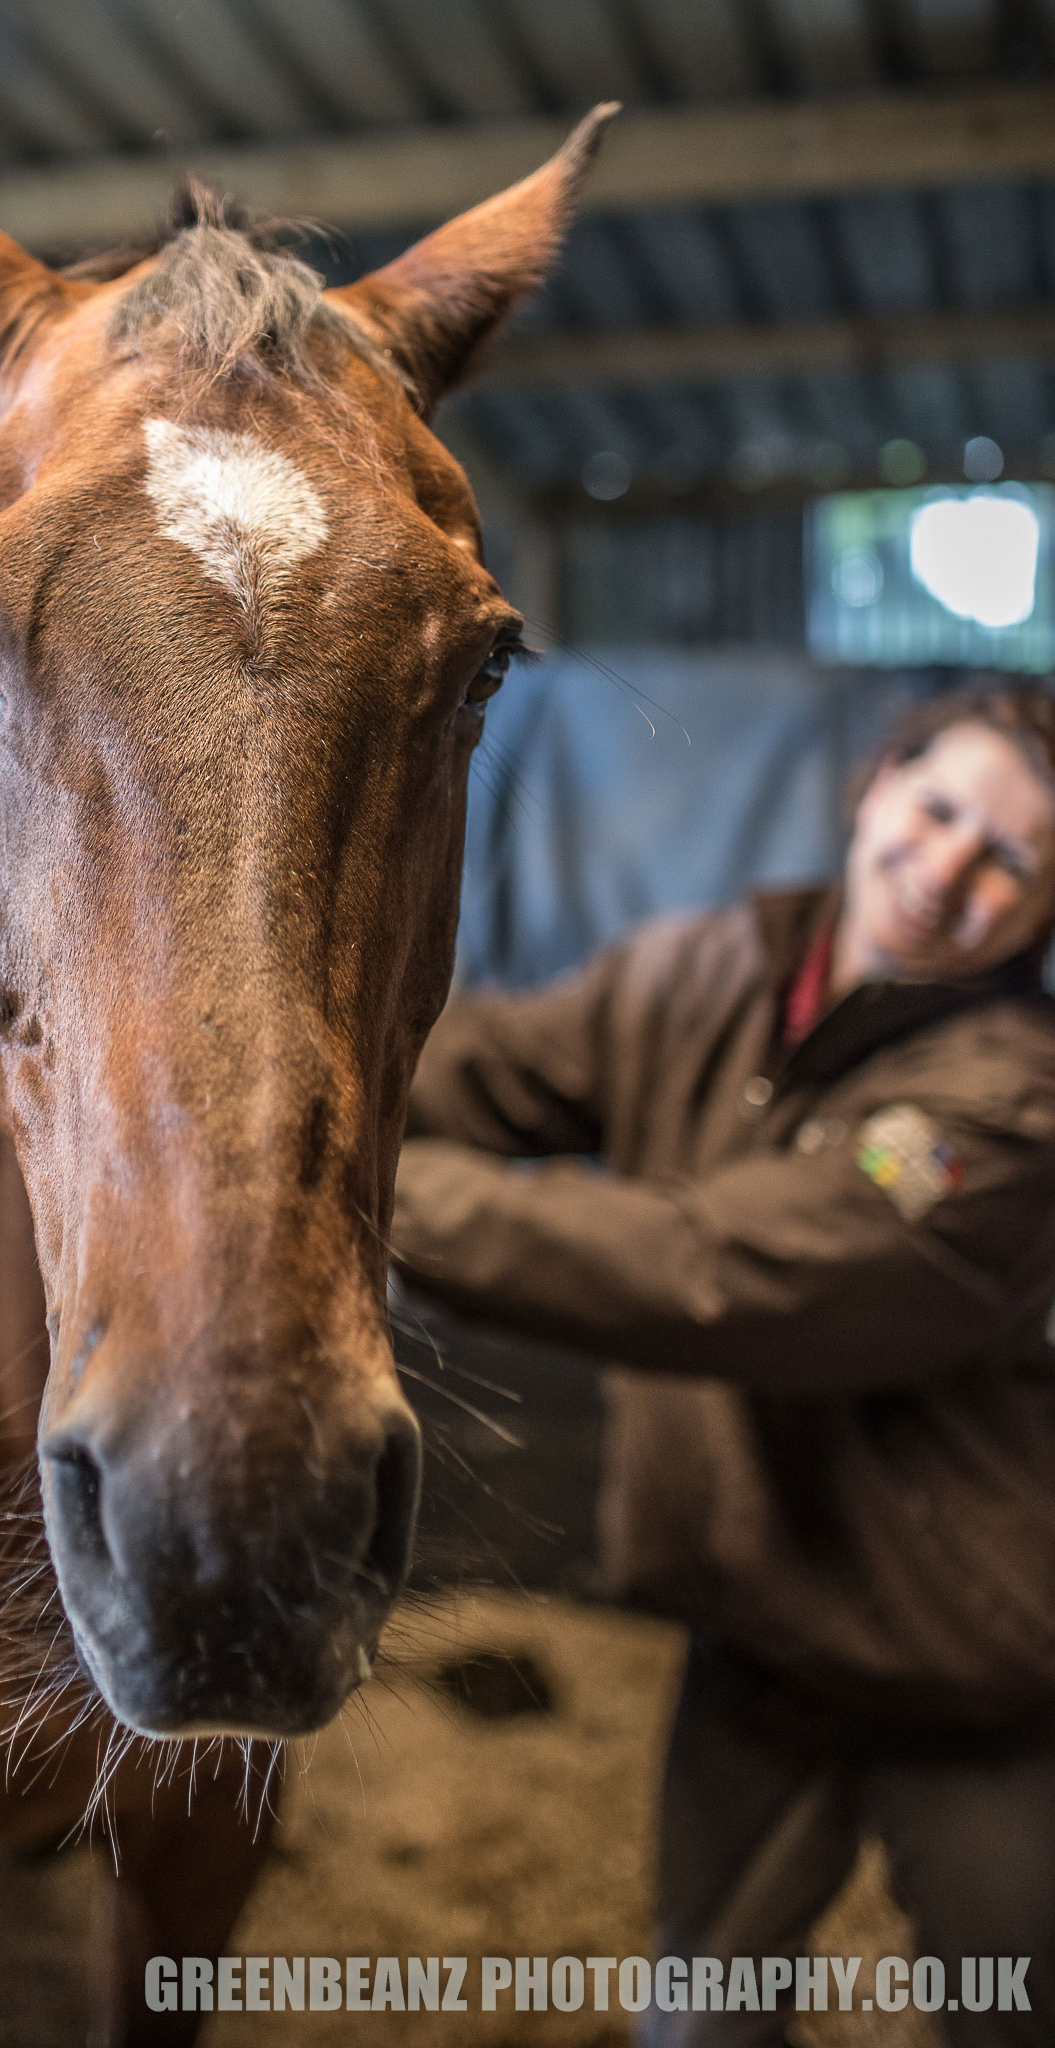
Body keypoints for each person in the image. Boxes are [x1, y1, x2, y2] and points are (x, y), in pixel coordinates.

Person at [390, 687, 1055, 2046]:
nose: (945, 875)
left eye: (1013, 863)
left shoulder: (1009, 1104)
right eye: (938, 812)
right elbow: (489, 1065)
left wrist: (349, 1191)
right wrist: (266, 1078)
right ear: (876, 789)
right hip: (757, 1638)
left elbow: (712, 1270)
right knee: (702, 2009)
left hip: (978, 1677)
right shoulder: (706, 971)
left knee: (1009, 2011)